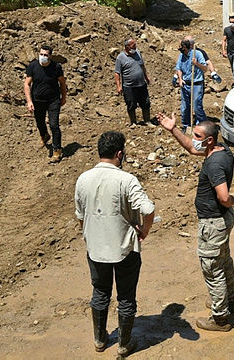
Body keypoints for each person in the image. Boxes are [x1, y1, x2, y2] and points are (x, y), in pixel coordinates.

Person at [74, 131, 155, 356]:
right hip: (124, 249)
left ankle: (100, 341)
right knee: (126, 297)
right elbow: (148, 209)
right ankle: (124, 344)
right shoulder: (126, 180)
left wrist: (89, 233)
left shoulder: (83, 179)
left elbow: (80, 215)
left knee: (100, 292)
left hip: (96, 249)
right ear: (120, 153)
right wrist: (144, 230)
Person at [157, 114, 234, 332]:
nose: (194, 139)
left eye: (197, 135)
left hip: (213, 223)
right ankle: (229, 301)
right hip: (220, 221)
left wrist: (231, 201)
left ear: (209, 139)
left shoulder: (214, 165)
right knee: (223, 260)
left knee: (212, 269)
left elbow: (223, 196)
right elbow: (192, 149)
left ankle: (220, 318)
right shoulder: (221, 150)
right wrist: (173, 129)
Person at [24, 45, 67, 163]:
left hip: (53, 100)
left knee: (54, 125)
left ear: (50, 56)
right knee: (39, 122)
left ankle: (57, 150)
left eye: (45, 55)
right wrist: (29, 101)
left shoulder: (56, 67)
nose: (43, 57)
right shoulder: (33, 66)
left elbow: (62, 83)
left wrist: (63, 97)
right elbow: (27, 84)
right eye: (41, 54)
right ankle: (44, 135)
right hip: (37, 100)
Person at [114, 38, 152, 126]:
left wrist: (146, 77)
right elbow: (117, 73)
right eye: (133, 45)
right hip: (129, 86)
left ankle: (147, 120)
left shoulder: (138, 53)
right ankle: (133, 122)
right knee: (131, 104)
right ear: (127, 47)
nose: (135, 47)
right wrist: (118, 86)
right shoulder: (121, 57)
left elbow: (142, 66)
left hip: (141, 84)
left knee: (145, 102)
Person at [174, 39, 208, 131]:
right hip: (185, 84)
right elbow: (179, 68)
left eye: (182, 48)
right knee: (185, 108)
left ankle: (202, 125)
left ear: (186, 47)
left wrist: (196, 63)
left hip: (196, 84)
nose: (180, 50)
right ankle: (186, 126)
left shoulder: (197, 54)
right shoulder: (181, 55)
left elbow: (205, 68)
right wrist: (180, 79)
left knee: (197, 107)